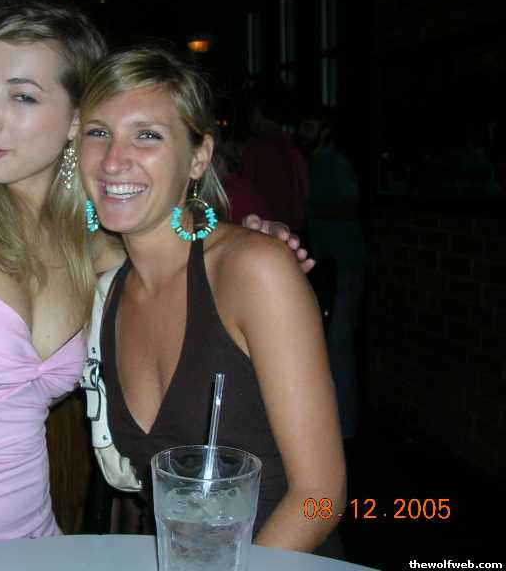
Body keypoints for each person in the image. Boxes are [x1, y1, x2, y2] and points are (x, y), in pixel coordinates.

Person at [0, 2, 311, 571]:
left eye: (22, 96)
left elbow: (182, 250)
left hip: (38, 542)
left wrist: (252, 245)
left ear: (78, 120)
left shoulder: (88, 242)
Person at [77, 46, 345, 554]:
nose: (113, 159)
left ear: (198, 156)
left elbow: (322, 499)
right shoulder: (106, 293)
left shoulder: (252, 270)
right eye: (98, 132)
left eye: (147, 135)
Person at [297, 106, 366, 441]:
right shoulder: (311, 163)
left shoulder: (335, 164)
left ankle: (343, 432)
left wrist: (307, 208)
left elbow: (350, 205)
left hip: (343, 269)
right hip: (326, 269)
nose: (302, 132)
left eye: (309, 125)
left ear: (324, 130)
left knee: (338, 350)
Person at [239, 81, 309, 233]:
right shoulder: (292, 146)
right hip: (290, 232)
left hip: (262, 231)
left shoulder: (257, 148)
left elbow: (244, 195)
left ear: (258, 112)